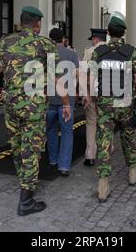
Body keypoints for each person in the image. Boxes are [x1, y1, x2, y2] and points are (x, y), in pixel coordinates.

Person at [0, 6, 71, 217]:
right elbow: (57, 78)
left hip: (10, 105)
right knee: (32, 149)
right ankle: (26, 200)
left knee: (17, 145)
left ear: (21, 23)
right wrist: (66, 103)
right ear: (37, 24)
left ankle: (24, 181)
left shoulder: (5, 42)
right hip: (34, 107)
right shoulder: (45, 44)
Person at [86, 13, 136, 203]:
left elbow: (91, 78)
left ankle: (103, 185)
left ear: (107, 32)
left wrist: (91, 98)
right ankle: (132, 171)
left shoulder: (99, 51)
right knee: (127, 136)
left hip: (105, 103)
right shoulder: (131, 52)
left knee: (104, 141)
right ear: (123, 33)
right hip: (125, 102)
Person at [47, 28, 80, 177]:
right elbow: (76, 75)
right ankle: (64, 166)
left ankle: (53, 160)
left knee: (51, 130)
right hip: (67, 99)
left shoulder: (45, 54)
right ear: (63, 39)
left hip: (49, 99)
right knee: (67, 132)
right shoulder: (72, 54)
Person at [82, 28, 108, 167]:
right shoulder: (113, 51)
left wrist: (85, 94)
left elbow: (84, 74)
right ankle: (107, 149)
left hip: (92, 91)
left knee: (91, 122)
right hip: (109, 93)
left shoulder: (89, 51)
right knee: (106, 122)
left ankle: (90, 155)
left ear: (95, 39)